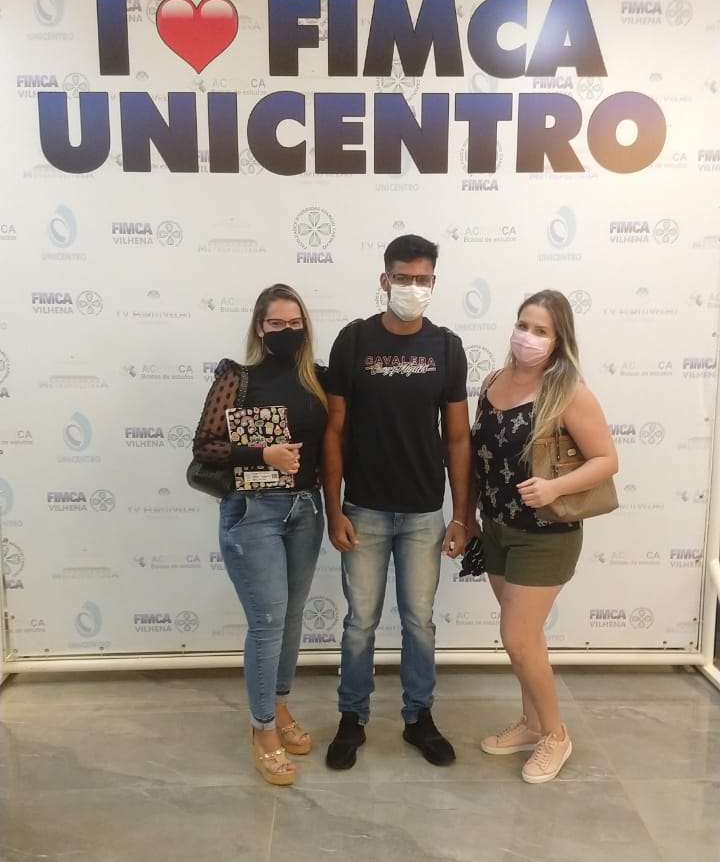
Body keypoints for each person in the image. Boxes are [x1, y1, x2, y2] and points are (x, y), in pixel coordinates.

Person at [322, 234, 471, 770]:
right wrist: (334, 508)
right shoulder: (354, 341)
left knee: (419, 622)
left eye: (422, 279)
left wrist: (462, 515)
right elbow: (334, 430)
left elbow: (458, 437)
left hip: (424, 511)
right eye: (402, 278)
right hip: (363, 507)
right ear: (384, 280)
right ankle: (352, 718)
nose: (412, 287)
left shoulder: (447, 348)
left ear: (434, 282)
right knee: (359, 622)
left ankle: (419, 717)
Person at [468, 289, 618, 783]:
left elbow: (606, 460)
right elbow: (480, 457)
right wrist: (467, 517)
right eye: (523, 325)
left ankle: (555, 734)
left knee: (517, 636)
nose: (527, 337)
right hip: (497, 528)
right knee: (525, 640)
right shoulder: (492, 382)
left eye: (540, 331)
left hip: (546, 534)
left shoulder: (568, 392)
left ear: (558, 340)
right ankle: (532, 723)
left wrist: (555, 486)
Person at [192, 284, 327, 786]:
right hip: (254, 511)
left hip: (306, 508)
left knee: (291, 617)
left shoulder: (317, 378)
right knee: (267, 622)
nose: (287, 331)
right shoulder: (238, 376)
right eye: (276, 323)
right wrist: (262, 454)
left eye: (295, 323)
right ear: (259, 327)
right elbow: (204, 445)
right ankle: (262, 728)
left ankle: (280, 705)